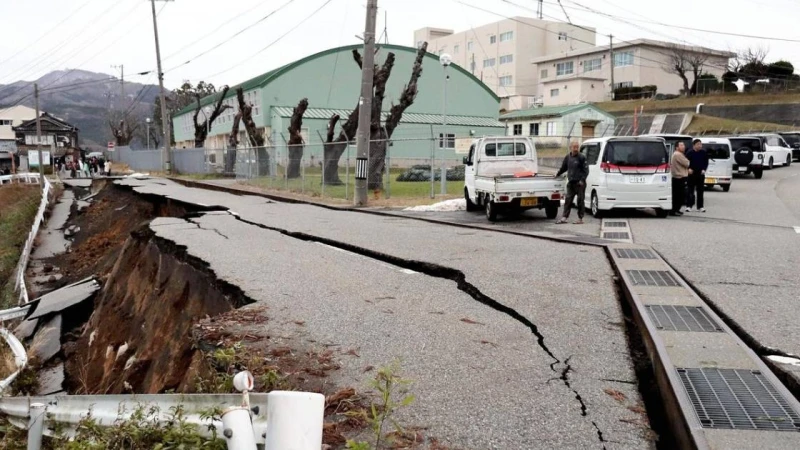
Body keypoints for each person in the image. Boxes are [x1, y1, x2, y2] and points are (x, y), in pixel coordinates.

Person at [555, 141, 589, 224]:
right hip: (571, 183)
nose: (576, 149)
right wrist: (557, 173)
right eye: (574, 147)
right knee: (568, 200)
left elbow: (586, 171)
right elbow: (564, 168)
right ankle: (564, 217)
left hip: (579, 183)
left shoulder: (582, 157)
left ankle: (580, 218)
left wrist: (582, 180)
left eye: (577, 147)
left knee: (580, 201)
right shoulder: (568, 157)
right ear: (570, 147)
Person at [686, 139, 709, 212]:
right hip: (691, 174)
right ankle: (689, 206)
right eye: (698, 144)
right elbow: (686, 162)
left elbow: (706, 162)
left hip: (700, 174)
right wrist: (688, 169)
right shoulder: (689, 153)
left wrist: (704, 169)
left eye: (700, 144)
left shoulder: (703, 152)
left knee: (700, 191)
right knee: (690, 190)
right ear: (694, 145)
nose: (700, 146)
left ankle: (700, 206)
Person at [670, 141, 690, 216]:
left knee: (679, 195)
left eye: (683, 145)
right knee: (679, 195)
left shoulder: (679, 154)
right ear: (677, 147)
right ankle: (674, 210)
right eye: (681, 145)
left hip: (679, 177)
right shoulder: (678, 154)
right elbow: (687, 163)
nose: (683, 146)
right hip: (679, 178)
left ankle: (676, 209)